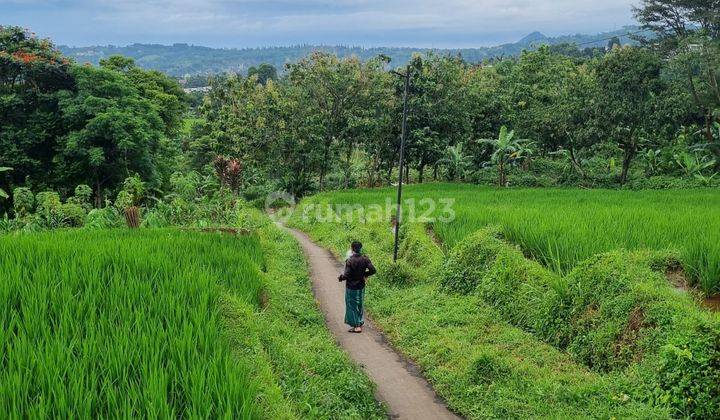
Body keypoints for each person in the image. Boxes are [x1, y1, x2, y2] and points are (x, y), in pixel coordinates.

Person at [338, 241, 376, 333]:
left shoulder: (350, 261)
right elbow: (373, 270)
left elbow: (346, 275)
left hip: (351, 287)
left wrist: (341, 278)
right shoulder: (365, 259)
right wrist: (364, 274)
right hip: (361, 286)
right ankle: (360, 321)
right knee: (359, 303)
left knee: (352, 305)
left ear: (352, 249)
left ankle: (356, 326)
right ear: (360, 248)